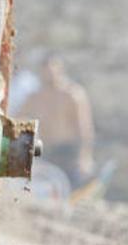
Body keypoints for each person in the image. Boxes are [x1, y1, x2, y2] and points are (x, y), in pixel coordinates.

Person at [18, 56, 95, 186]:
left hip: (68, 152)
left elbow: (84, 128)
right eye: (45, 72)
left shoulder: (72, 95)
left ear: (60, 70)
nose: (49, 75)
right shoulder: (35, 97)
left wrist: (85, 157)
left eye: (52, 71)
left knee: (71, 188)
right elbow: (18, 120)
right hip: (45, 151)